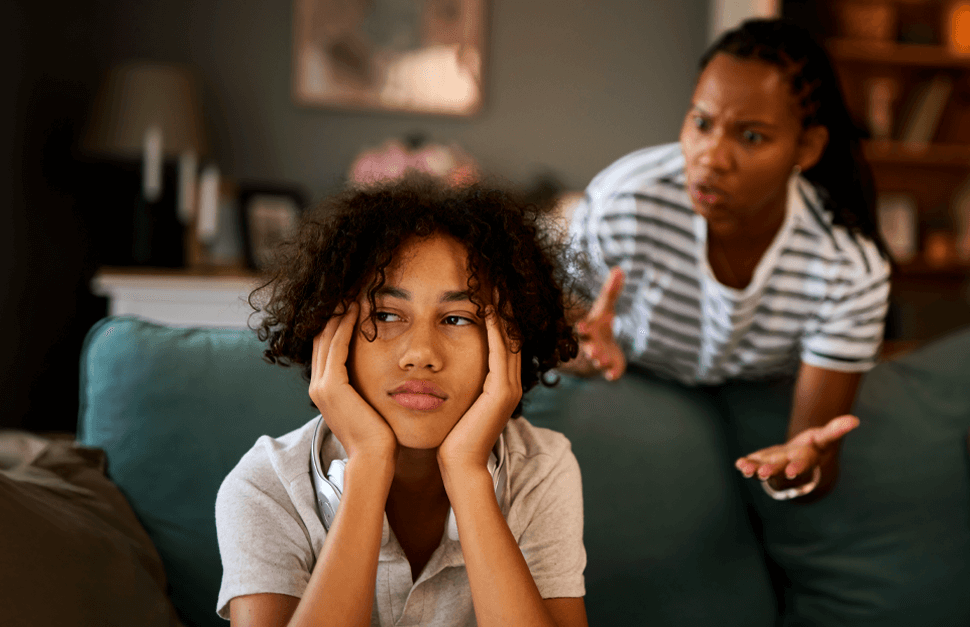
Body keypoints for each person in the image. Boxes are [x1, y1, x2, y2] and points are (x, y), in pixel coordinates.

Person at [215, 178, 589, 626]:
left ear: (508, 342)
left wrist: (468, 473)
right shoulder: (266, 486)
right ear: (333, 336)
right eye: (387, 315)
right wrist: (370, 464)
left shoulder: (541, 468)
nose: (421, 355)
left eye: (456, 318)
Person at [565, 18, 891, 501]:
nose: (711, 157)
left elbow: (810, 461)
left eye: (752, 137)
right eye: (701, 122)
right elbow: (562, 345)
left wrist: (797, 467)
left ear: (807, 147)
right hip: (635, 382)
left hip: (758, 391)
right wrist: (582, 356)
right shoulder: (624, 204)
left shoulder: (847, 268)